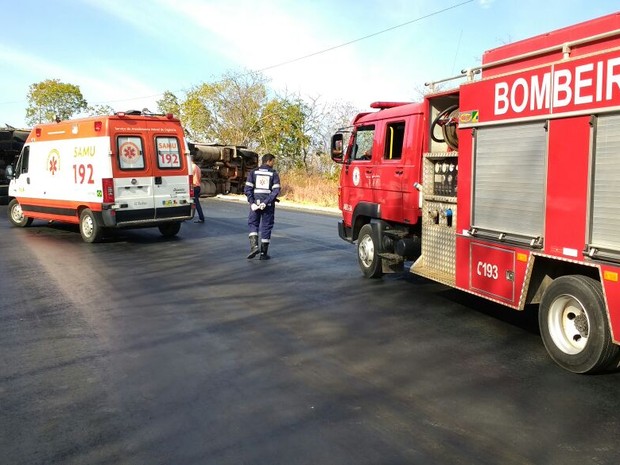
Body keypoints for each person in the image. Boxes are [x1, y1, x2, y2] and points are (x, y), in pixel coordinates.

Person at [244, 153, 280, 260]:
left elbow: (247, 189)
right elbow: (276, 190)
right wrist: (267, 201)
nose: (273, 163)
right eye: (273, 161)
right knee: (266, 226)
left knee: (253, 224)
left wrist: (252, 202)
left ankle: (254, 247)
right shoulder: (273, 174)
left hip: (255, 203)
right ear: (268, 161)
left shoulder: (253, 172)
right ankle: (263, 254)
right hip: (268, 205)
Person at [191, 158, 205, 223]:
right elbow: (200, 178)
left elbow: (190, 178)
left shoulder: (191, 167)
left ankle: (201, 218)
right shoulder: (198, 168)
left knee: (195, 203)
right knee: (196, 202)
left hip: (193, 186)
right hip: (198, 186)